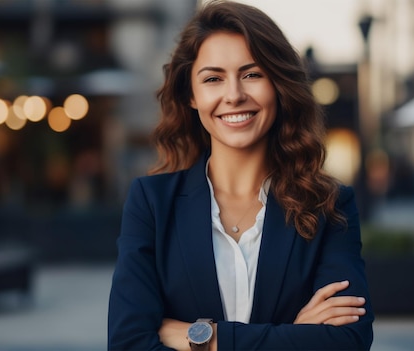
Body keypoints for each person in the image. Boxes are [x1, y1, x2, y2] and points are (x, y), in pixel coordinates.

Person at [107, 1, 374, 350]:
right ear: (191, 94)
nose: (233, 95)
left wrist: (202, 338)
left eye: (252, 74)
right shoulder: (152, 204)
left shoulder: (328, 205)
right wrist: (291, 333)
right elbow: (128, 343)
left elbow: (347, 341)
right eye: (213, 79)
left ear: (277, 85)